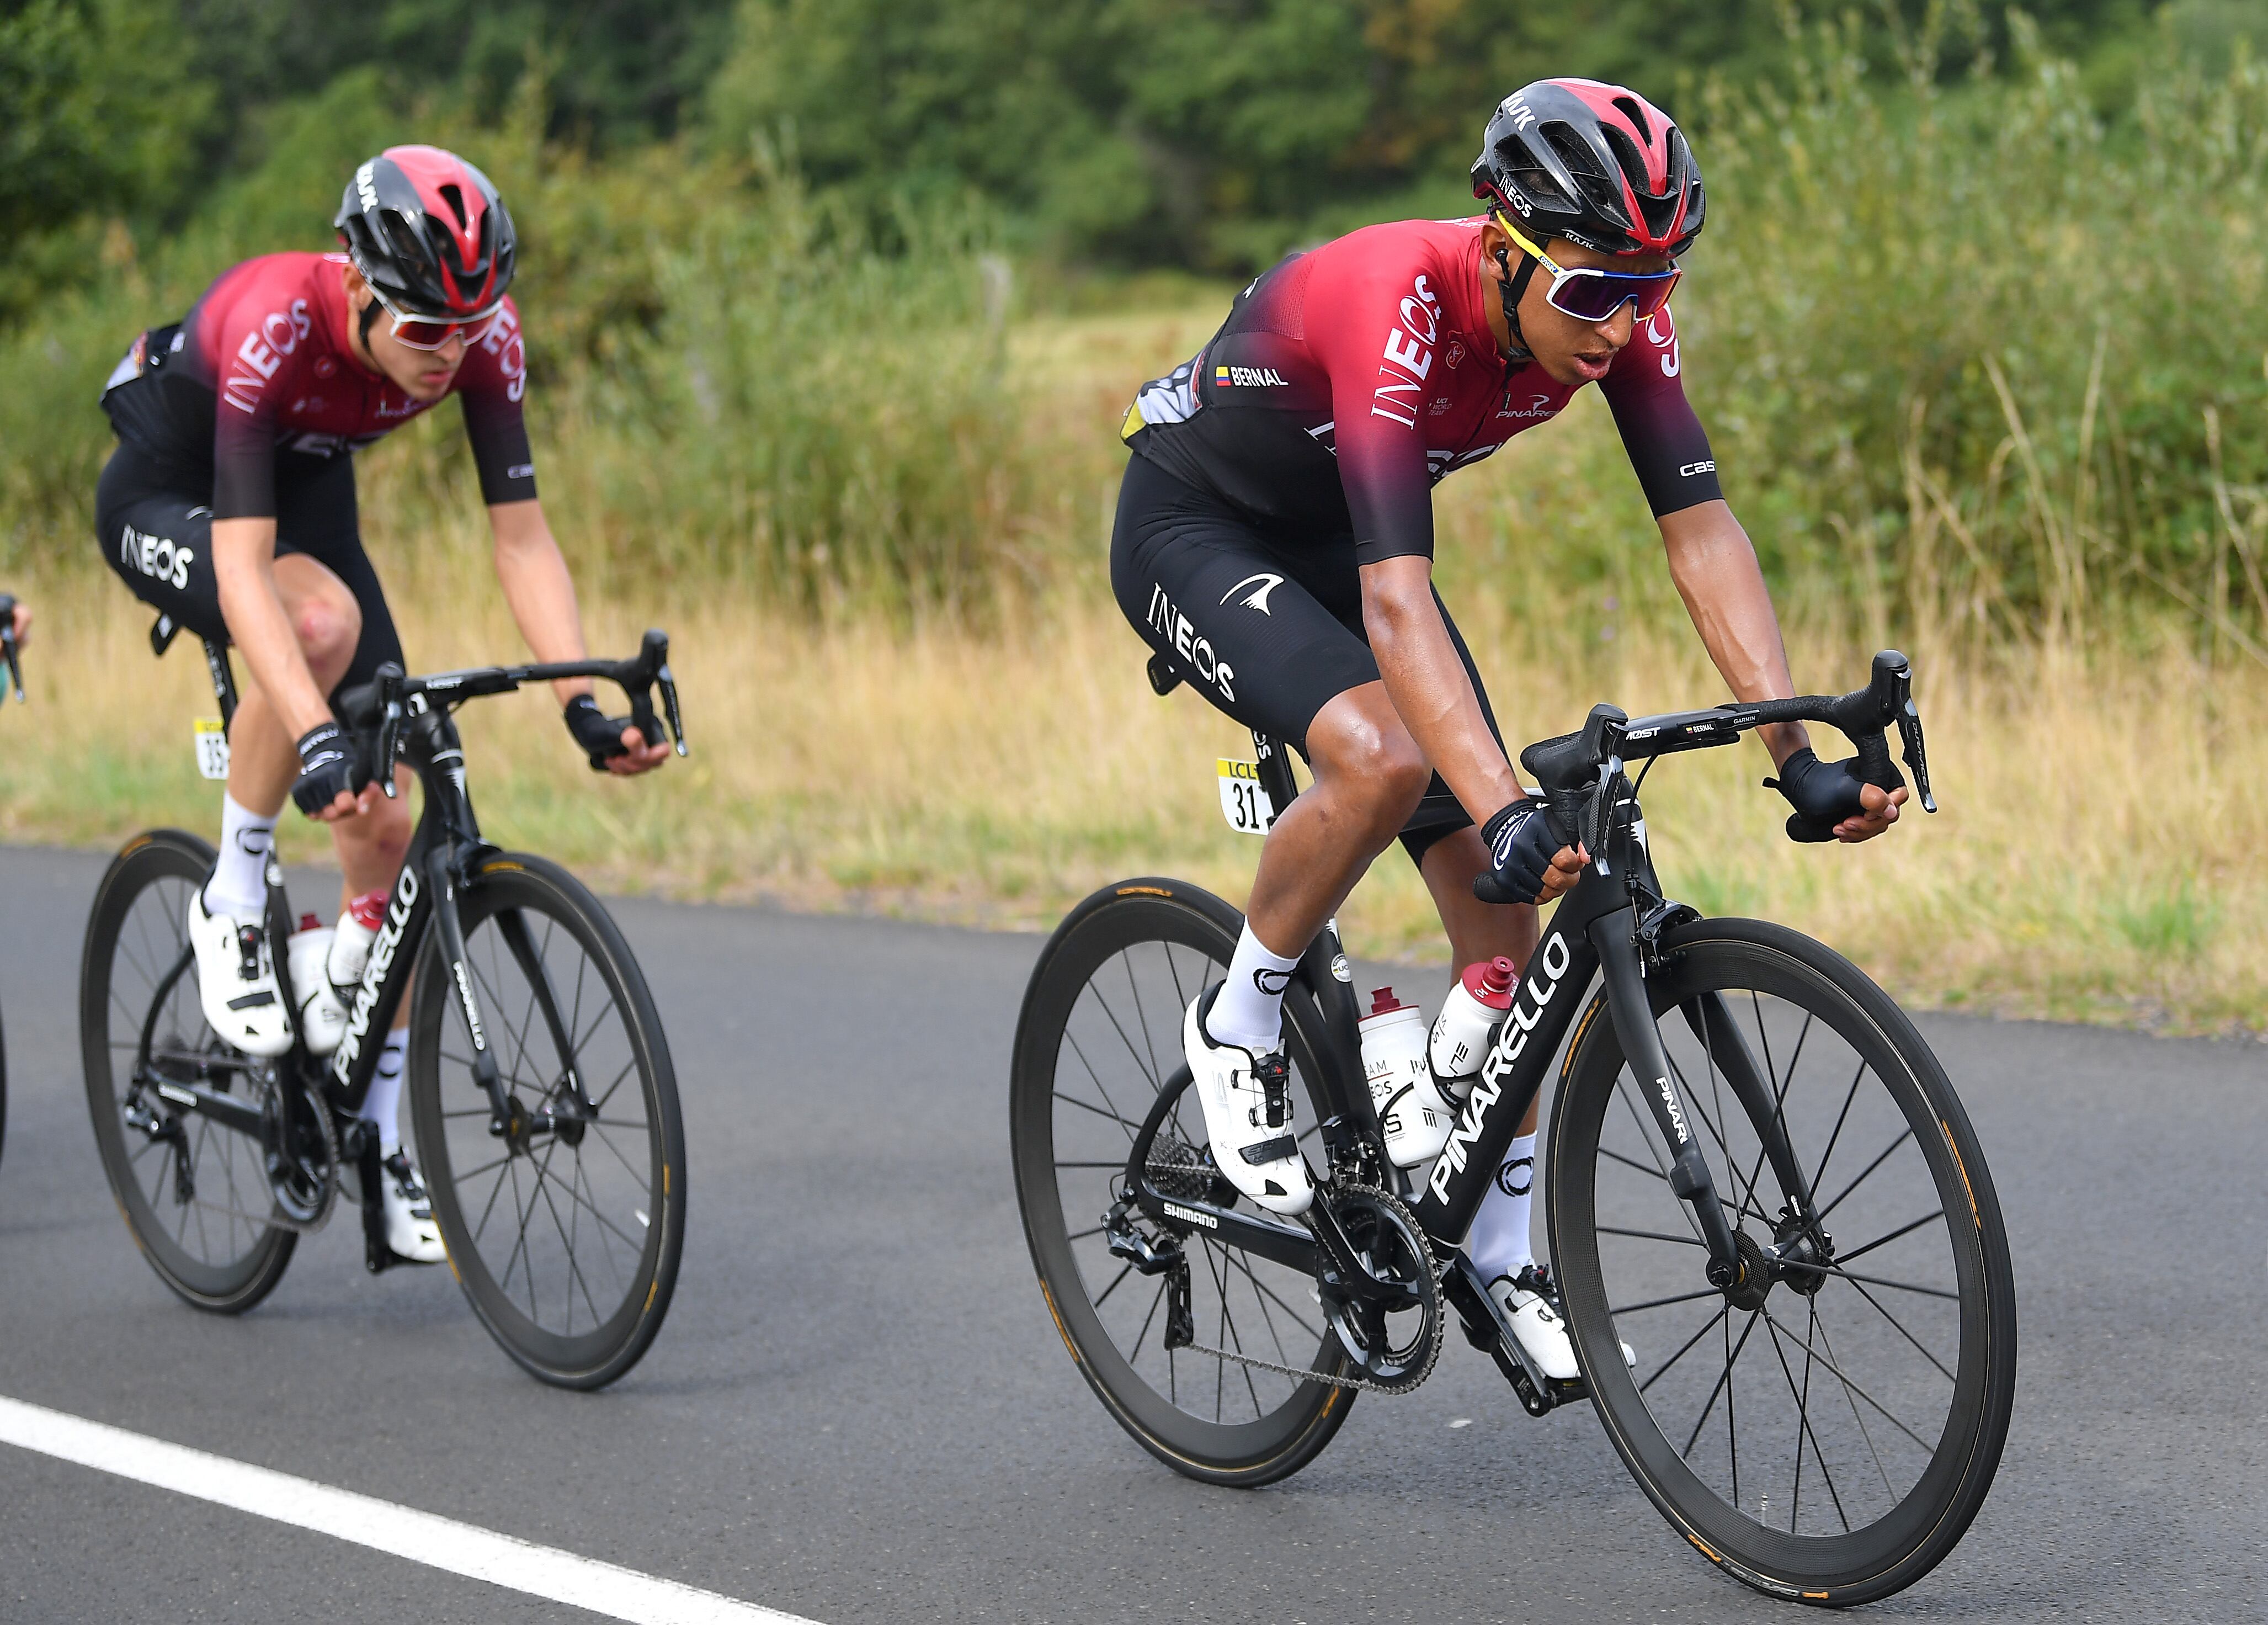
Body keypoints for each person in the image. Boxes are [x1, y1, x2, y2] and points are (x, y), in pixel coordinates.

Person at [1112, 79, 1904, 1383]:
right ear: (1506, 243)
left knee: (1513, 928)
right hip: (1199, 526)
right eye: (1595, 292)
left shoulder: (1620, 321)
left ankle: (1498, 1238)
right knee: (1388, 757)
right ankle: (1238, 1020)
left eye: (1655, 288)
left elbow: (1699, 532)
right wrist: (1500, 801)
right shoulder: (1398, 298)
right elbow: (1394, 596)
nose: (1625, 324)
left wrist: (1796, 751)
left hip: (1346, 543)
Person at [93, 146, 669, 1263]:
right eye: (425, 332)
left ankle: (384, 1136)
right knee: (315, 636)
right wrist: (309, 731)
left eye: (469, 327)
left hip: (302, 497)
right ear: (358, 283)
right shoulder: (272, 319)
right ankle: (232, 889)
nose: (449, 354)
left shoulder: (475, 333)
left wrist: (583, 704)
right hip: (171, 490)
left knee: (391, 833)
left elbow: (522, 536)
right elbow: (250, 573)